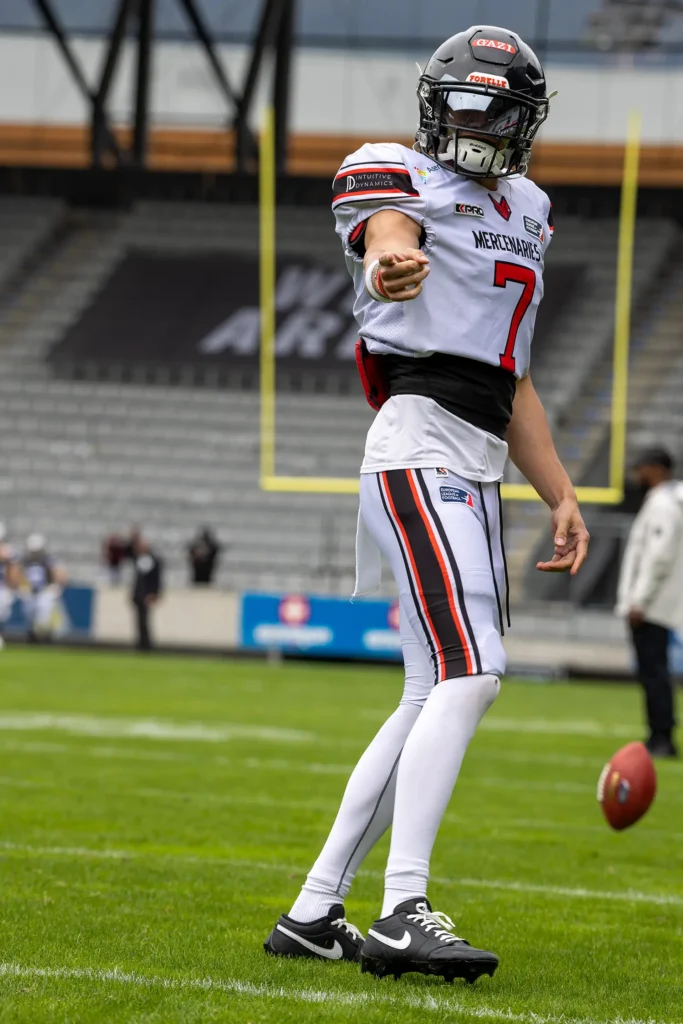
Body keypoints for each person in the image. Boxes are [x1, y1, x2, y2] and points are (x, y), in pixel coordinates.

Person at [264, 25, 589, 983]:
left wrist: (560, 492)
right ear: (429, 103)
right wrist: (386, 267)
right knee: (475, 670)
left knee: (429, 685)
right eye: (462, 104)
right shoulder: (387, 169)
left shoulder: (527, 205)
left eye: (496, 110)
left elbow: (512, 375)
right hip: (419, 439)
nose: (476, 125)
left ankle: (316, 910)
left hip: (476, 451)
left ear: (525, 122)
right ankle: (403, 905)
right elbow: (386, 244)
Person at [616, 447, 682, 758]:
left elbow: (658, 557)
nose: (636, 475)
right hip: (654, 604)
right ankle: (659, 734)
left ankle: (662, 738)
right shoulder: (665, 501)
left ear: (656, 469)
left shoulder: (663, 504)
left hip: (652, 607)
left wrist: (638, 601)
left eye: (641, 468)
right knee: (654, 672)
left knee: (654, 673)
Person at [20, 534, 68, 642]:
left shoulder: (49, 560)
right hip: (30, 592)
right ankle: (32, 635)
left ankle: (45, 636)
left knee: (43, 614)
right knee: (29, 614)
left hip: (44, 590)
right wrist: (22, 587)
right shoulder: (25, 560)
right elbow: (21, 575)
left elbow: (59, 574)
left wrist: (55, 586)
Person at [131, 535, 163, 651]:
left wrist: (154, 593)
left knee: (145, 620)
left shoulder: (154, 560)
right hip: (138, 595)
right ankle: (141, 643)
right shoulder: (138, 559)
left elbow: (157, 579)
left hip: (147, 595)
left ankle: (146, 644)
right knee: (139, 621)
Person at [0, 523, 21, 648]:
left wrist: (13, 585)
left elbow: (13, 570)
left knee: (2, 611)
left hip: (2, 585)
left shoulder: (8, 551)